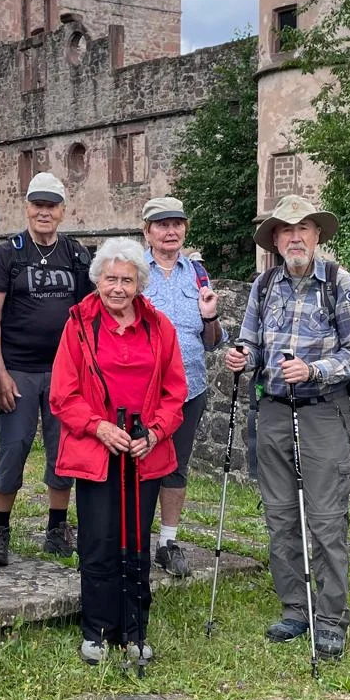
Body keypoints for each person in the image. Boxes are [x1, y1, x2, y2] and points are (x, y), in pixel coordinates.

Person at [225, 194, 350, 659]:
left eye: (303, 228)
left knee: (326, 518)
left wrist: (314, 371)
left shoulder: (337, 282)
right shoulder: (263, 284)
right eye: (285, 230)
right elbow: (250, 341)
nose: (295, 237)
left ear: (317, 235)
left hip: (323, 409)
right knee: (280, 513)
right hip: (272, 409)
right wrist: (240, 356)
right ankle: (294, 607)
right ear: (275, 240)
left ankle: (329, 617)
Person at [50, 238, 187, 663]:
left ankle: (134, 628)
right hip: (98, 447)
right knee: (99, 540)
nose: (118, 288)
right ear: (98, 280)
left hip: (143, 449)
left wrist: (157, 432)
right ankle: (97, 629)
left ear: (138, 283)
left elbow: (174, 391)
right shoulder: (78, 324)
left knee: (136, 543)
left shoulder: (160, 326)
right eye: (111, 278)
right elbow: (63, 393)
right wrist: (98, 427)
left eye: (127, 280)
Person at [0, 171, 93, 566]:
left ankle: (57, 527)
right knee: (13, 448)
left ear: (63, 210)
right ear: (27, 207)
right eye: (37, 204)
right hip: (20, 370)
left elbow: (86, 315)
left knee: (63, 450)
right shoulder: (8, 254)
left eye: (51, 205)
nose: (44, 212)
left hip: (65, 372)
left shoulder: (77, 255)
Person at [141, 195, 225, 576]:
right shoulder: (134, 270)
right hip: (143, 387)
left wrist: (211, 316)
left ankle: (167, 541)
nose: (170, 231)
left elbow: (212, 340)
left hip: (190, 385)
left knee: (177, 464)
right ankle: (136, 538)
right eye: (162, 224)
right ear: (147, 232)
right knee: (140, 461)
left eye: (177, 224)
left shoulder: (198, 274)